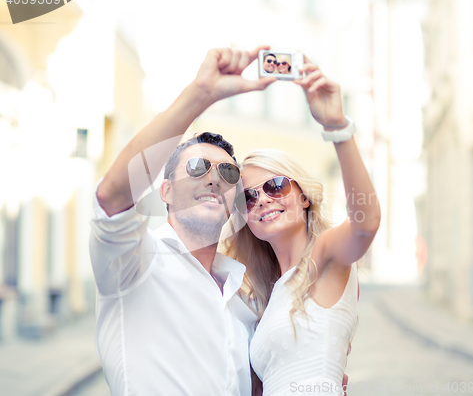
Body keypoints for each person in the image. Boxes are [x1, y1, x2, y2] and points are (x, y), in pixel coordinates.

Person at [89, 46, 277, 396]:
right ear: (166, 191)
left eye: (227, 171)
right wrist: (200, 95)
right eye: (196, 167)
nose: (213, 178)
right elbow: (112, 197)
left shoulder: (242, 298)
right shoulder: (134, 264)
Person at [223, 57, 381, 395]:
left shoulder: (325, 255)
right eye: (247, 198)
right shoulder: (271, 294)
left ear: (304, 196)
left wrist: (338, 128)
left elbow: (365, 224)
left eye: (275, 185)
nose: (262, 199)